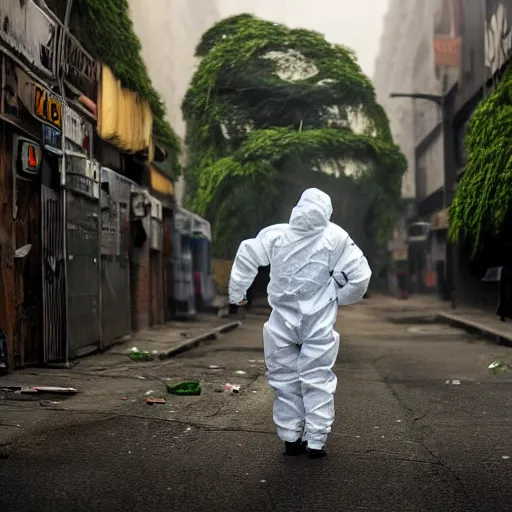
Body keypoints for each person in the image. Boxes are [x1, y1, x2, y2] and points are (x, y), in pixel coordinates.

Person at [228, 188, 371, 459]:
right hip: (318, 320)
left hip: (281, 320)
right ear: (327, 211)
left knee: (284, 380)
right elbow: (360, 276)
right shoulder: (336, 237)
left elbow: (247, 254)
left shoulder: (276, 234)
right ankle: (316, 441)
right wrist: (340, 297)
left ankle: (291, 438)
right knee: (317, 378)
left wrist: (238, 294)